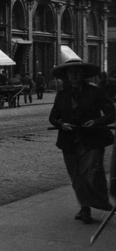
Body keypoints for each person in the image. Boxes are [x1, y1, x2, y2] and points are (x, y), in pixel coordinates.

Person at [47, 56, 115, 224]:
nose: (75, 75)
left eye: (78, 72)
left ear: (83, 74)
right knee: (76, 176)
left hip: (92, 140)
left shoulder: (96, 92)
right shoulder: (62, 95)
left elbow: (112, 114)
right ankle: (85, 209)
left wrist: (97, 122)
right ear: (67, 75)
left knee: (90, 173)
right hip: (69, 142)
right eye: (72, 72)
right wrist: (62, 125)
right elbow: (53, 117)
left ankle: (101, 202)